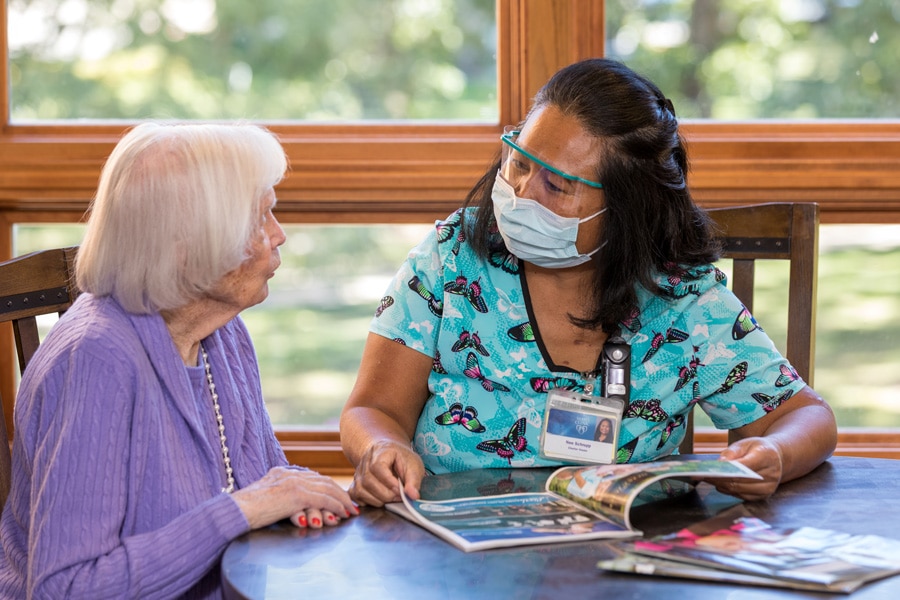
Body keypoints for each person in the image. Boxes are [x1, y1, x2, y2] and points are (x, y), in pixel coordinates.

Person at [340, 58, 837, 507]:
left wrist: (773, 452)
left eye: (556, 185)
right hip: (455, 550)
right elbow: (373, 408)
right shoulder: (453, 257)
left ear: (626, 209)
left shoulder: (683, 300)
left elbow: (807, 418)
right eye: (519, 161)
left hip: (624, 561)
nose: (519, 193)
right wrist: (382, 448)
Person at [0, 122, 358, 599]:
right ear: (190, 245)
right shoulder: (93, 361)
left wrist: (297, 498)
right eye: (261, 217)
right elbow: (66, 589)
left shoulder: (221, 330)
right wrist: (244, 510)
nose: (280, 235)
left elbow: (266, 480)